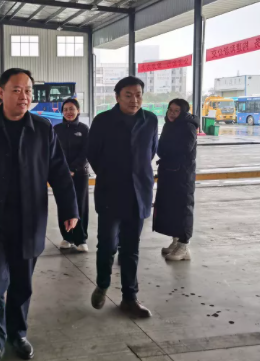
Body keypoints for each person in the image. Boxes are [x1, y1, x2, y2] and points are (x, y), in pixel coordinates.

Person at [0, 68, 79, 361]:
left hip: (29, 220)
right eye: (16, 90)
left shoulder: (43, 128)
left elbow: (59, 172)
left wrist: (69, 209)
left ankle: (17, 334)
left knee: (22, 285)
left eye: (28, 91)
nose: (24, 96)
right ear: (1, 92)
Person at [87, 76, 158, 318]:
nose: (134, 99)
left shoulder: (150, 120)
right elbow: (93, 154)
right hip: (111, 192)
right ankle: (103, 284)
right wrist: (111, 173)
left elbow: (151, 151)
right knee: (107, 245)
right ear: (117, 97)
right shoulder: (103, 121)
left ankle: (130, 297)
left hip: (139, 194)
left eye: (138, 95)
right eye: (128, 95)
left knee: (131, 248)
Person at [154, 98, 198, 261]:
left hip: (182, 174)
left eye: (176, 111)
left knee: (183, 207)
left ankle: (184, 245)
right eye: (170, 110)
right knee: (171, 207)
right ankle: (176, 240)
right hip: (169, 171)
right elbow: (161, 147)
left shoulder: (188, 126)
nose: (172, 113)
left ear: (183, 112)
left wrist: (165, 151)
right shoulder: (169, 125)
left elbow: (184, 149)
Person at [54, 98, 90, 252]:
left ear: (78, 111)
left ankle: (81, 239)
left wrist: (74, 168)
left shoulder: (84, 129)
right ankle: (67, 237)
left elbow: (86, 152)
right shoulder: (56, 129)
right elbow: (54, 152)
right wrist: (62, 169)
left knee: (80, 205)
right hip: (61, 174)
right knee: (63, 204)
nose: (69, 112)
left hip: (80, 174)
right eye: (66, 109)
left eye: (72, 109)